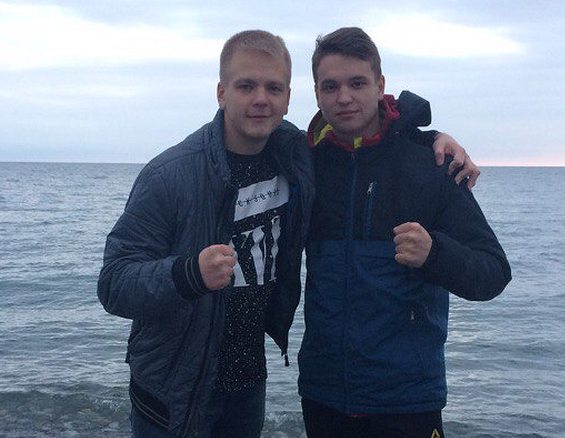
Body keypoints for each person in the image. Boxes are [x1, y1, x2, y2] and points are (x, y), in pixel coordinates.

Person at [98, 29, 476, 438]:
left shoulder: (295, 156)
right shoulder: (169, 175)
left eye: (273, 88)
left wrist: (429, 139)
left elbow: (369, 143)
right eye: (246, 86)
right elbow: (114, 283)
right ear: (221, 92)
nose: (261, 99)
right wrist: (188, 273)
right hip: (175, 390)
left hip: (248, 385)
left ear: (289, 97)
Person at [298, 27, 512, 438]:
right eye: (331, 86)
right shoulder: (308, 166)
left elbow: (494, 273)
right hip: (323, 395)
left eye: (357, 83)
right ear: (317, 94)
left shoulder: (432, 165)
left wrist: (435, 254)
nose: (344, 97)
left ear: (380, 85)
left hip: (408, 400)